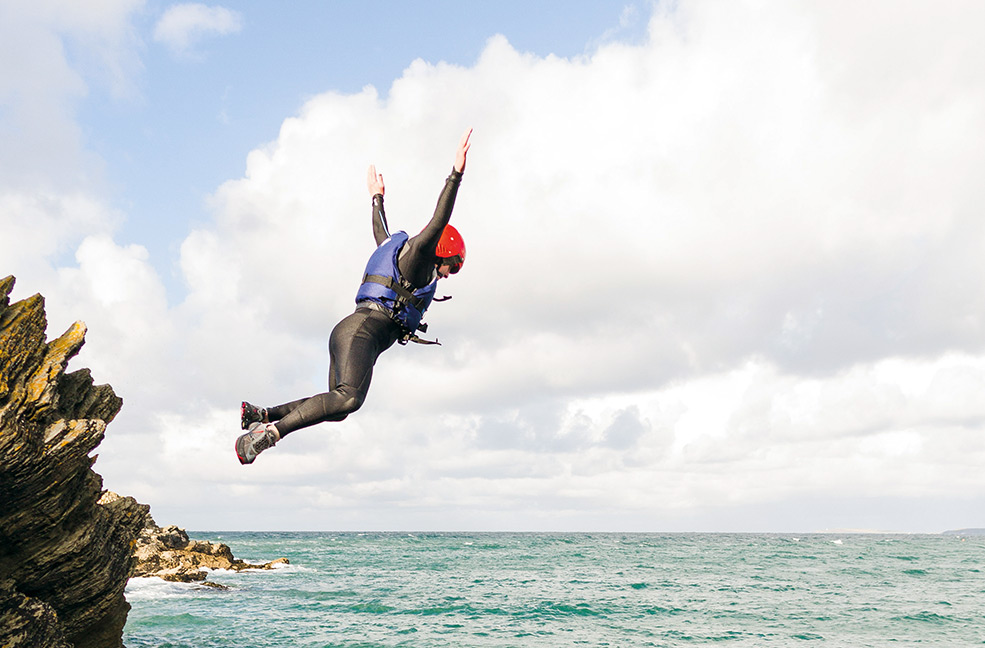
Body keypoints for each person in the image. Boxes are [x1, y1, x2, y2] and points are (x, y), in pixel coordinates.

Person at [235, 128, 472, 464]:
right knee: (349, 400)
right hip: (363, 331)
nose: (449, 275)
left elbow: (382, 234)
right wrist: (456, 175)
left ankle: (263, 414)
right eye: (453, 267)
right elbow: (439, 220)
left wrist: (377, 198)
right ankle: (269, 435)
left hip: (354, 331)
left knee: (338, 405)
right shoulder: (420, 257)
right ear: (442, 253)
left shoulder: (403, 259)